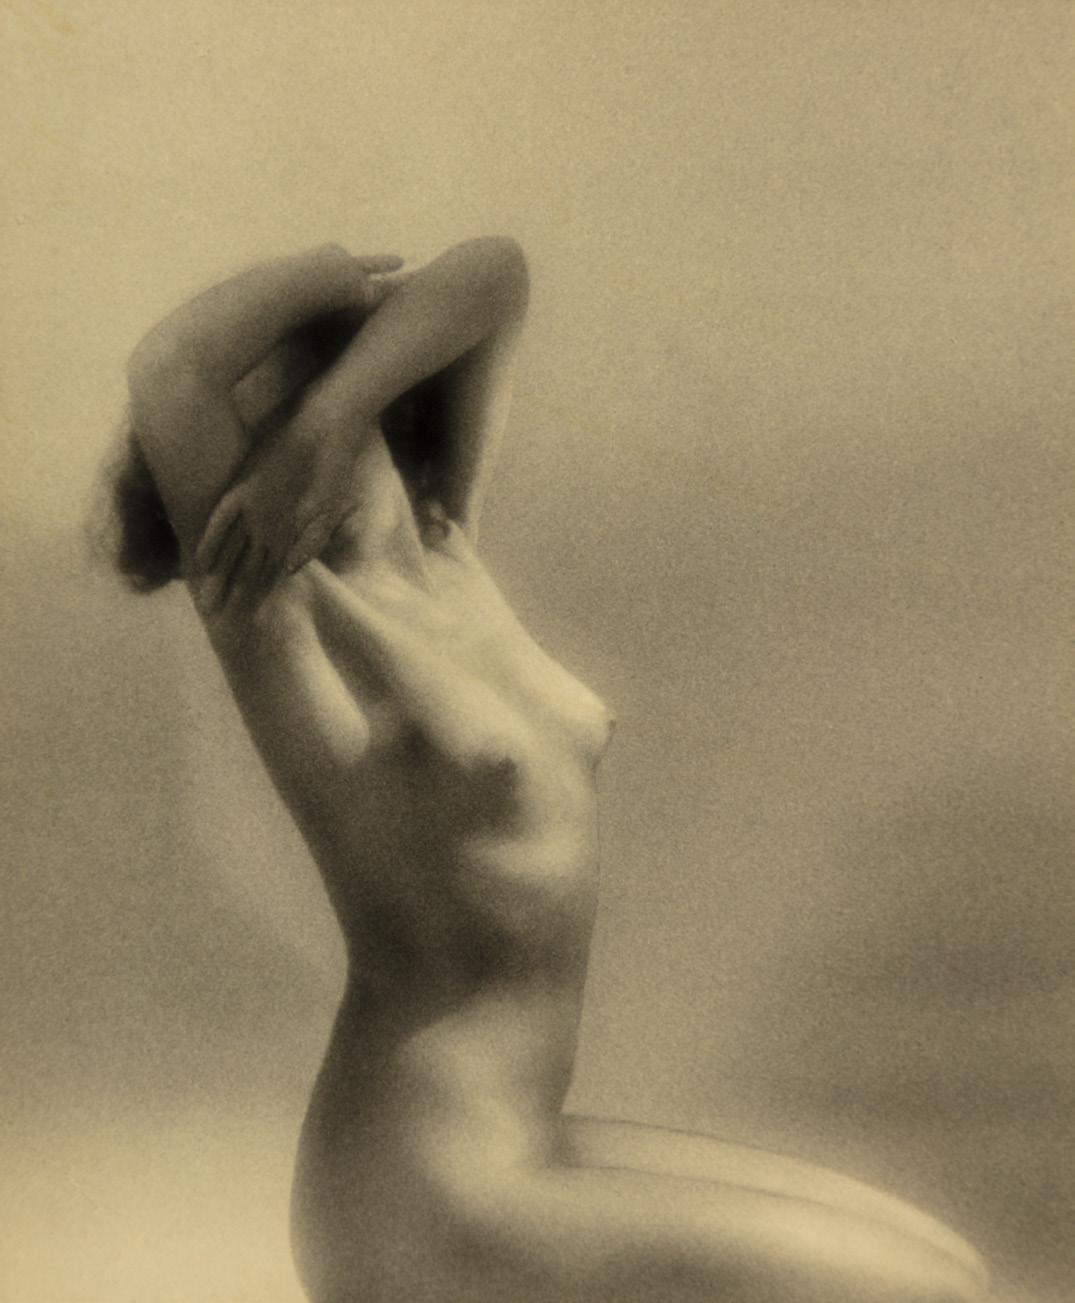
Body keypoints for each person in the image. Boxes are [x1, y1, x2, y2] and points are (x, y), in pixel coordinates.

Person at [110, 239, 987, 1302]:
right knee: (930, 1294)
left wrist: (331, 396)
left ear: (375, 407)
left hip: (520, 1139)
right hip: (419, 1189)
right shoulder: (291, 622)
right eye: (256, 450)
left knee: (955, 1265)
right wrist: (322, 365)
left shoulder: (447, 546)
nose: (292, 470)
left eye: (311, 424)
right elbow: (170, 366)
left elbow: (496, 273)